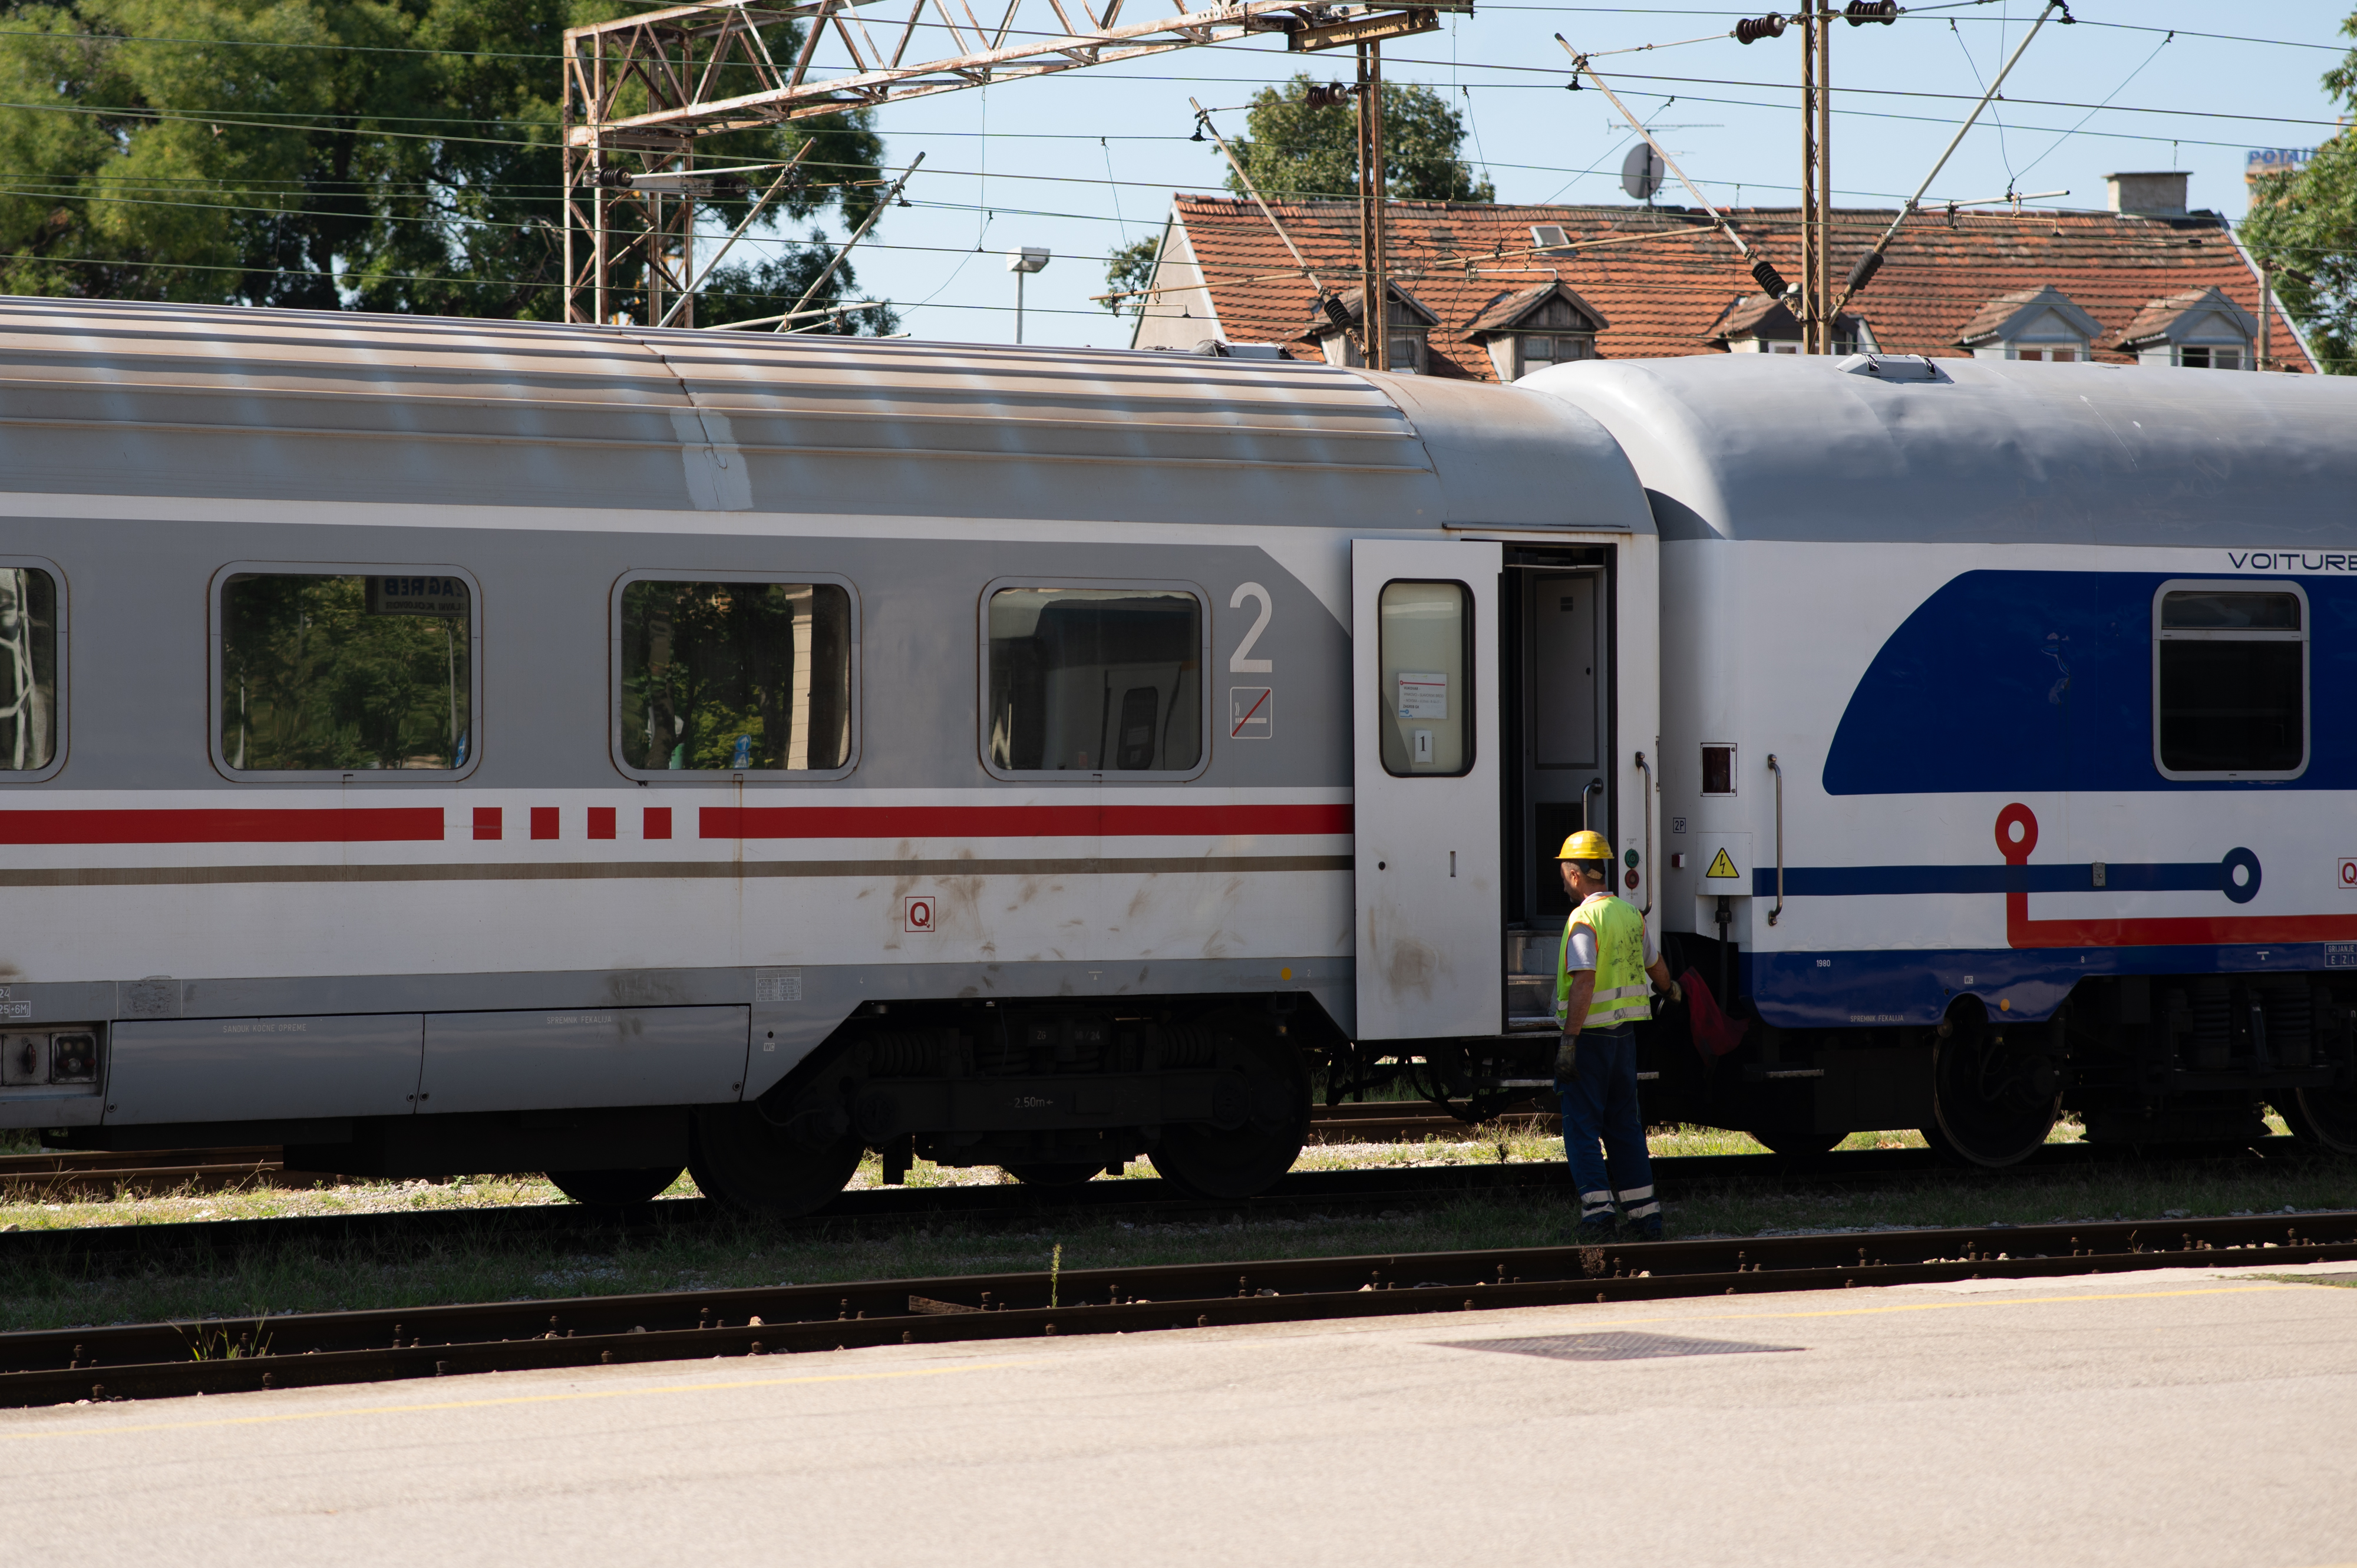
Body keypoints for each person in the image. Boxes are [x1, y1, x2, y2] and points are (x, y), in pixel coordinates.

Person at [1553, 830, 1681, 1241]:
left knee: (1582, 1126)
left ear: (1575, 874)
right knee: (1625, 1125)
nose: (1562, 879)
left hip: (1589, 1040)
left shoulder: (1583, 921)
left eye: (1563, 872)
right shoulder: (1630, 914)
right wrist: (1673, 991)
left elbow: (1584, 982)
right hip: (1625, 1039)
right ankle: (1646, 1216)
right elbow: (1656, 967)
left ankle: (1599, 1215)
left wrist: (1568, 1042)